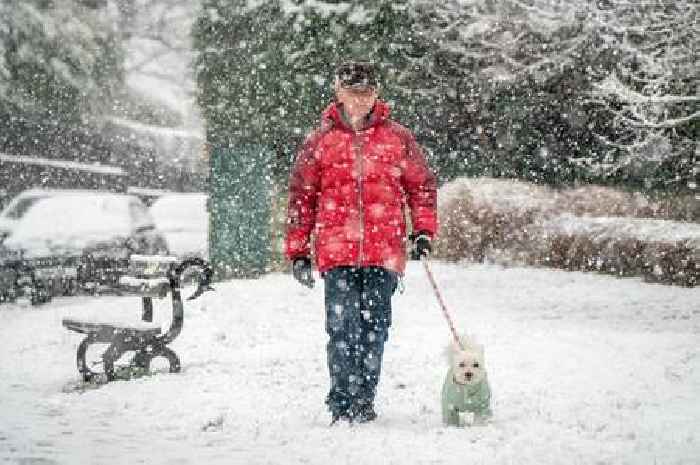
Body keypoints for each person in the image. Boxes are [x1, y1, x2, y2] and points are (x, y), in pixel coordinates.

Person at [285, 60, 437, 424]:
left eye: (366, 93)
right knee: (341, 328)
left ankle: (364, 399)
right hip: (337, 252)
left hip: (384, 251)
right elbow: (301, 198)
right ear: (338, 93)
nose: (360, 100)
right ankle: (341, 399)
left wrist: (424, 231)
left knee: (374, 329)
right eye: (353, 93)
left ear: (377, 94)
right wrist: (297, 250)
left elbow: (422, 187)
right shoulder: (320, 141)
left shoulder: (398, 138)